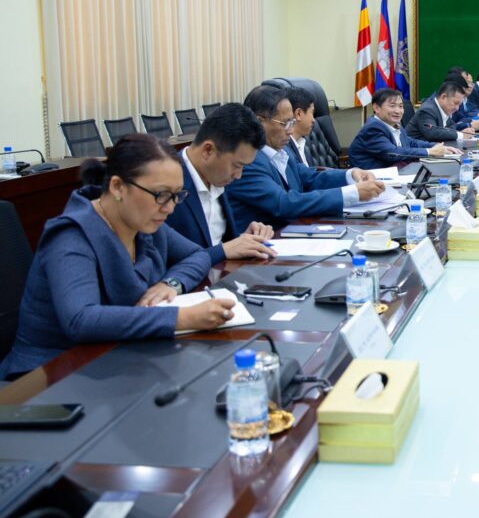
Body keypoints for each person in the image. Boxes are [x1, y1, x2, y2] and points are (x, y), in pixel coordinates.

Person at [0, 135, 234, 379]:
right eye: (161, 194)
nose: (170, 207)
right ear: (118, 187)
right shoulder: (71, 236)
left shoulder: (144, 221)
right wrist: (182, 318)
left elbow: (197, 255)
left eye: (177, 195)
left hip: (116, 353)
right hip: (51, 373)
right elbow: (81, 320)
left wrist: (171, 283)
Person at [225, 85, 385, 230]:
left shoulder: (282, 150)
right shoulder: (246, 162)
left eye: (292, 122)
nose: (290, 130)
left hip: (296, 231)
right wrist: (351, 193)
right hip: (265, 243)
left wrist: (350, 175)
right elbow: (284, 203)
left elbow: (309, 177)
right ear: (259, 122)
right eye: (285, 123)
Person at [165, 103, 276, 265]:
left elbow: (218, 241)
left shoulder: (217, 177)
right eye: (237, 166)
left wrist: (244, 239)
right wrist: (224, 250)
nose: (238, 175)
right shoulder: (166, 187)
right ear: (208, 150)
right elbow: (166, 261)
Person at [349, 88, 463, 170]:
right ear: (376, 108)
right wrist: (429, 152)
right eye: (392, 106)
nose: (398, 111)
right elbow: (393, 153)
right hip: (372, 180)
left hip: (394, 173)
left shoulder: (393, 124)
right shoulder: (373, 128)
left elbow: (410, 142)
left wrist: (436, 146)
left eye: (400, 106)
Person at [408, 80, 477, 142]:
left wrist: (461, 133)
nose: (457, 108)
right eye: (456, 103)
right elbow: (432, 133)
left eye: (459, 105)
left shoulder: (444, 110)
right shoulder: (428, 110)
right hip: (416, 150)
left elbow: (452, 126)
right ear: (444, 97)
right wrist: (461, 135)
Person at [285, 86, 316, 167]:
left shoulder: (303, 143)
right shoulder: (284, 151)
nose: (314, 120)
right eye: (312, 113)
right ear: (298, 114)